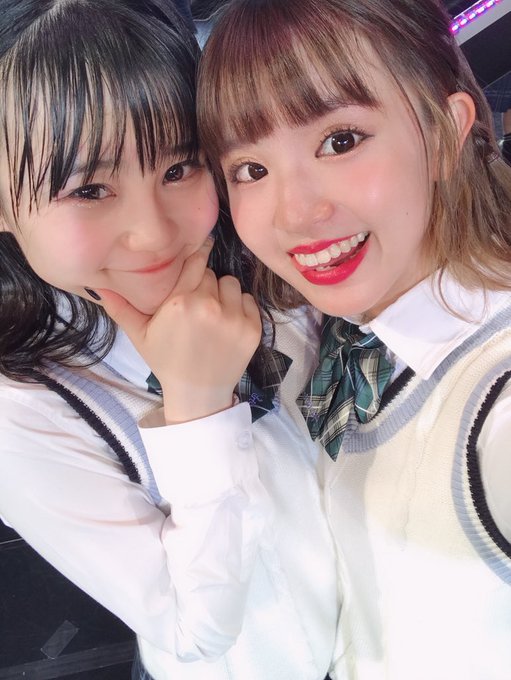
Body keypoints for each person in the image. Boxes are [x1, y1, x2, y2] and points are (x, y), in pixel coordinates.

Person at [0, 2, 338, 679]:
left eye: (179, 168)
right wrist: (197, 406)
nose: (153, 232)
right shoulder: (24, 406)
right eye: (88, 189)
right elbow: (193, 630)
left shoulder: (271, 269)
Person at [197, 0, 511, 678]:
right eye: (250, 169)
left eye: (339, 141)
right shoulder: (326, 332)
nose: (294, 213)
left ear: (443, 133)